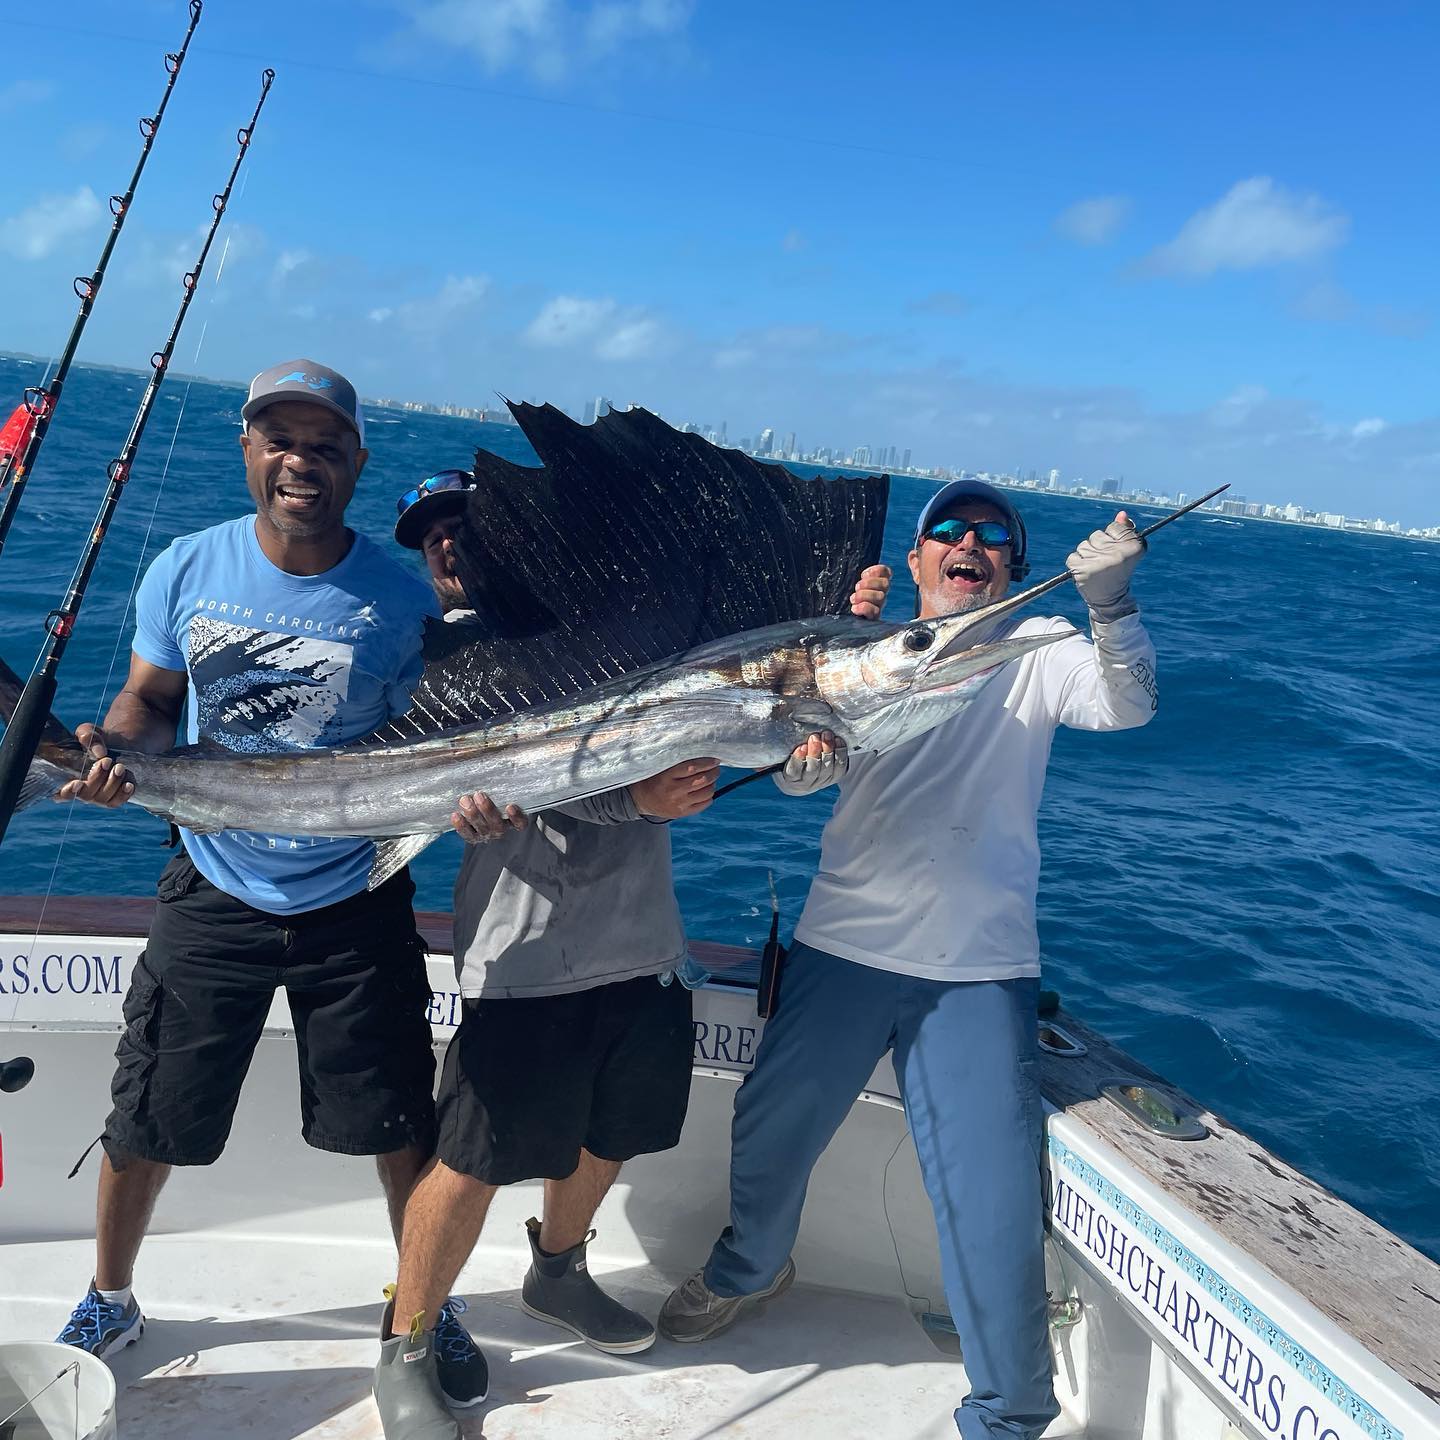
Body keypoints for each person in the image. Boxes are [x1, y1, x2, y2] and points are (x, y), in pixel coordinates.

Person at [373, 469, 889, 1438]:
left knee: (616, 1133)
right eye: (430, 536)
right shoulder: (436, 654)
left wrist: (832, 669)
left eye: (466, 528)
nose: (450, 547)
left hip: (643, 943)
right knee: (472, 1159)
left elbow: (719, 723)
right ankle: (407, 1343)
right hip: (522, 955)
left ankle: (557, 1273)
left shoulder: (588, 629)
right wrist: (635, 800)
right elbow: (537, 772)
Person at [657, 480, 1157, 1440]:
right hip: (844, 944)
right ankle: (750, 1270)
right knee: (768, 1126)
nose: (970, 545)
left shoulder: (1039, 646)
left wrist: (1111, 605)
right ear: (918, 560)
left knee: (991, 1195)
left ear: (1011, 566)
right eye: (948, 533)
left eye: (994, 539)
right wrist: (806, 763)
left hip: (981, 968)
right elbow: (807, 776)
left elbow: (1126, 705)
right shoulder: (859, 649)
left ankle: (1009, 1411)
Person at [51, 361, 487, 1411]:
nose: (303, 461)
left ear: (355, 464)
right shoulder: (187, 568)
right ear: (248, 450)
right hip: (212, 887)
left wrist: (469, 801)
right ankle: (110, 1296)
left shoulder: (398, 601)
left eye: (326, 445)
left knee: (398, 1122)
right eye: (281, 440)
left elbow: (437, 751)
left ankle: (423, 1301)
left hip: (356, 899)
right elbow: (148, 702)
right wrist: (113, 751)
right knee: (146, 1115)